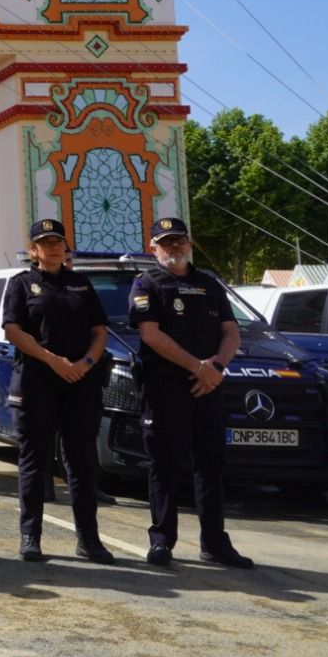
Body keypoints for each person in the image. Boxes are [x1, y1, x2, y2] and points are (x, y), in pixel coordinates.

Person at [130, 217, 253, 569]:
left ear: (190, 243)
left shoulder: (210, 284)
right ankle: (161, 543)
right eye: (165, 242)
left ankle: (214, 543)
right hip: (166, 388)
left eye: (179, 240)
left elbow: (231, 333)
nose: (174, 247)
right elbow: (151, 334)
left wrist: (215, 368)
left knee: (211, 465)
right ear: (153, 248)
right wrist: (197, 367)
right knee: (165, 465)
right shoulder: (146, 283)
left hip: (208, 387)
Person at [0, 219, 114, 564]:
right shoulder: (21, 284)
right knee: (35, 461)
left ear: (66, 248)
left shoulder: (81, 284)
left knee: (81, 462)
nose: (52, 248)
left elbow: (100, 331)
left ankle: (88, 539)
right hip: (37, 379)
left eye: (57, 242)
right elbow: (12, 330)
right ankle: (30, 537)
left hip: (80, 381)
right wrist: (53, 360)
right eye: (44, 243)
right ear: (33, 250)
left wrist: (87, 362)